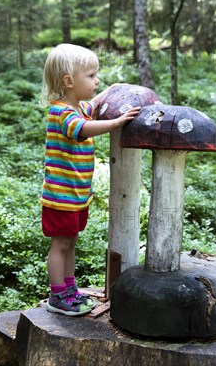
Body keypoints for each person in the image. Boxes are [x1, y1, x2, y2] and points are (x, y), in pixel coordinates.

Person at [40, 43, 140, 316]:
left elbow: (92, 106)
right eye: (92, 76)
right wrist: (116, 123)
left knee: (70, 242)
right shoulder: (60, 112)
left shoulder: (81, 106)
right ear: (69, 81)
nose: (97, 81)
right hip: (60, 198)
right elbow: (83, 128)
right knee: (60, 244)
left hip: (76, 196)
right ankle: (57, 295)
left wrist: (113, 90)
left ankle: (69, 288)